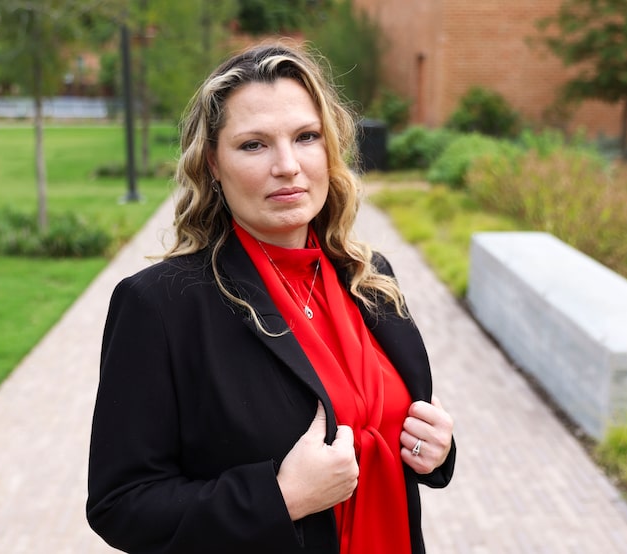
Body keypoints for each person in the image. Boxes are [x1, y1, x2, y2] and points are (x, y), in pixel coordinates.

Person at [87, 42, 455, 554]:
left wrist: (433, 449)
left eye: (306, 137)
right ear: (213, 163)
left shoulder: (371, 280)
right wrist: (279, 498)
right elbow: (121, 504)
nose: (288, 165)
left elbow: (402, 428)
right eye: (254, 145)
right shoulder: (160, 306)